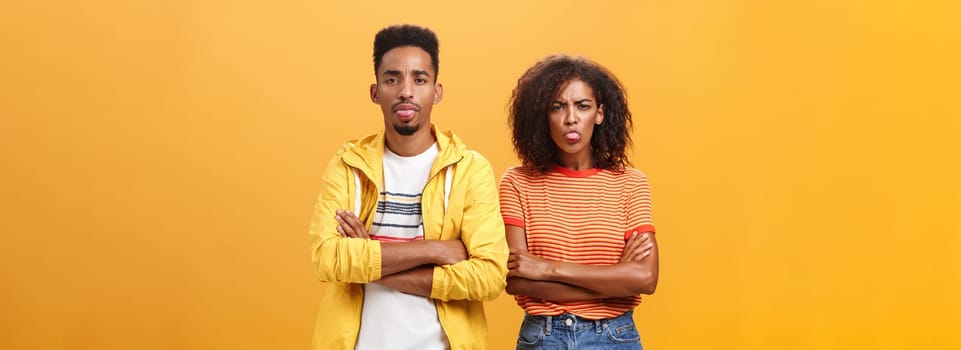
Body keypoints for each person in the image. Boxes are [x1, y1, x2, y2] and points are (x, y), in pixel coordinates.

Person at [308, 24, 508, 350]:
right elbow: (326, 258)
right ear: (375, 92)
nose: (405, 90)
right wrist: (435, 250)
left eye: (419, 79)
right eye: (392, 79)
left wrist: (370, 261)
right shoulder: (347, 165)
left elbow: (488, 276)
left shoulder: (470, 170)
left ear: (437, 91)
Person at [499, 54, 659, 349]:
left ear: (599, 113)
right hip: (543, 338)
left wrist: (547, 269)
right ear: (541, 115)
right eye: (557, 107)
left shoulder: (630, 183)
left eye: (582, 106)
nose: (571, 118)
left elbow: (646, 278)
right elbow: (517, 281)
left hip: (614, 337)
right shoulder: (517, 182)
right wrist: (614, 280)